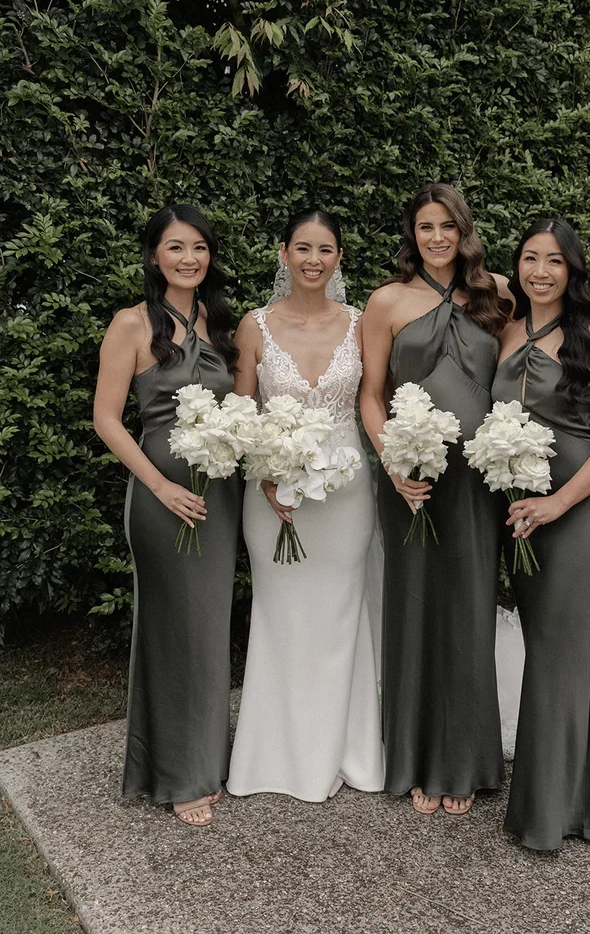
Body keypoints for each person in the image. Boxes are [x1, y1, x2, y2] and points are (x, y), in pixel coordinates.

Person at [360, 184, 510, 815]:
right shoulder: (387, 301)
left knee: (470, 610)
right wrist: (394, 464)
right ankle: (417, 759)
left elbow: (522, 376)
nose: (437, 237)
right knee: (415, 607)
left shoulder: (498, 294)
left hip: (478, 481)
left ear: (464, 230)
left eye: (448, 226)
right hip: (412, 480)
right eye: (425, 227)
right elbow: (370, 395)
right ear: (412, 235)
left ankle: (463, 762)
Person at [492, 217, 590, 850]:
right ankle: (579, 789)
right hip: (519, 513)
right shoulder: (501, 327)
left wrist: (558, 502)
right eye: (530, 258)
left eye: (555, 260)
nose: (541, 272)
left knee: (559, 653)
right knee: (543, 645)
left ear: (573, 270)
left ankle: (552, 813)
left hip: (576, 512)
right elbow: (467, 276)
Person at [226, 210, 384, 801]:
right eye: (303, 248)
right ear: (284, 253)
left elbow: (373, 399)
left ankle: (347, 753)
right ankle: (275, 757)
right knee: (281, 615)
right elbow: (241, 412)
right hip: (272, 494)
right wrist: (265, 471)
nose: (314, 260)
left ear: (339, 257)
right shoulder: (254, 326)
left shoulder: (362, 323)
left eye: (325, 249)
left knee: (341, 615)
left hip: (347, 494)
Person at [93, 204, 241, 826]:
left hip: (220, 497)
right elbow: (106, 419)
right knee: (174, 629)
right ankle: (180, 775)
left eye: (199, 247)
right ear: (154, 256)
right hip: (162, 498)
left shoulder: (219, 321)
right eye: (176, 247)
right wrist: (160, 487)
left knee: (207, 630)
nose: (189, 258)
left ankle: (205, 758)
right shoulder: (130, 324)